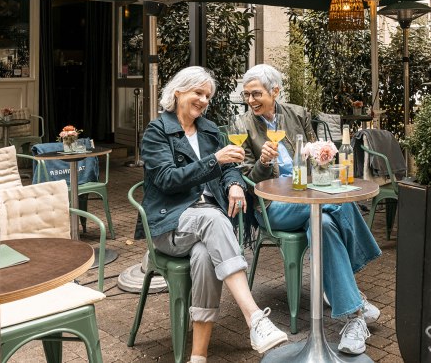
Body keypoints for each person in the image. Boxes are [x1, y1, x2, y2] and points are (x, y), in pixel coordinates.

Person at [140, 66, 287, 362]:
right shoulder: (157, 132)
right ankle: (254, 317)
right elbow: (167, 179)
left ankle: (198, 356)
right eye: (198, 93)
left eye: (207, 95)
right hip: (170, 225)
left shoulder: (207, 129)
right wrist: (213, 161)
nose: (204, 100)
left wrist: (233, 184)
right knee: (213, 218)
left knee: (206, 256)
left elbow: (230, 166)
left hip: (207, 227)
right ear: (178, 92)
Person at [239, 64, 382, 355]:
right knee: (338, 202)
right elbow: (245, 178)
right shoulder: (242, 125)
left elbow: (318, 157)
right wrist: (263, 163)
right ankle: (362, 270)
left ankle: (354, 316)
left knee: (326, 224)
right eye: (247, 95)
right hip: (274, 206)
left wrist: (322, 156)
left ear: (275, 91)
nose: (251, 100)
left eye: (257, 94)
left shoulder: (297, 113)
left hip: (310, 195)